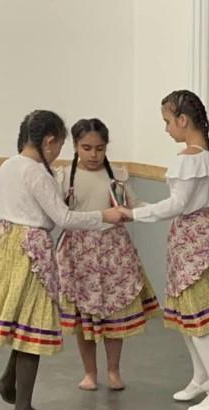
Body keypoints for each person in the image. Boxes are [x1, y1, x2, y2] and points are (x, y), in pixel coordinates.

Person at [0, 110, 129, 410]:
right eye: (60, 146)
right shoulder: (38, 172)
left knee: (21, 321)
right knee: (34, 324)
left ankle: (8, 381)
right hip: (31, 248)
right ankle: (23, 408)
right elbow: (63, 218)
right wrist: (103, 216)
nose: (57, 153)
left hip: (5, 242)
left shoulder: (8, 165)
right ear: (49, 141)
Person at [127, 90, 209, 410]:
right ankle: (202, 377)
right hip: (207, 235)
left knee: (196, 315)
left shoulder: (188, 159)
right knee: (187, 314)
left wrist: (134, 213)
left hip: (193, 242)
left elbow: (177, 205)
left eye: (167, 122)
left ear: (183, 120)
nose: (166, 129)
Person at [56, 118, 159, 392]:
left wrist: (161, 209)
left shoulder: (118, 176)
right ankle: (89, 372)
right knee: (85, 316)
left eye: (99, 149)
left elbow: (135, 205)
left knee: (115, 313)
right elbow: (58, 212)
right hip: (79, 253)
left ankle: (114, 370)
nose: (93, 155)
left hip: (114, 252)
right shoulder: (64, 177)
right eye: (86, 148)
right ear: (75, 146)